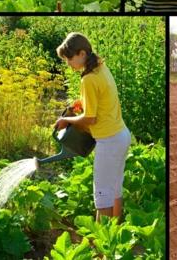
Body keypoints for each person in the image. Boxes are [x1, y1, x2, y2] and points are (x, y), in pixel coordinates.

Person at [56, 33, 131, 221]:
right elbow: (100, 99)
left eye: (69, 59)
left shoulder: (88, 79)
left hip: (109, 141)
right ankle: (115, 235)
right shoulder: (101, 67)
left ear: (82, 54)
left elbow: (89, 118)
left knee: (102, 195)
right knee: (115, 189)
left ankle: (102, 246)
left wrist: (67, 121)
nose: (69, 64)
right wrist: (80, 102)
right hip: (121, 135)